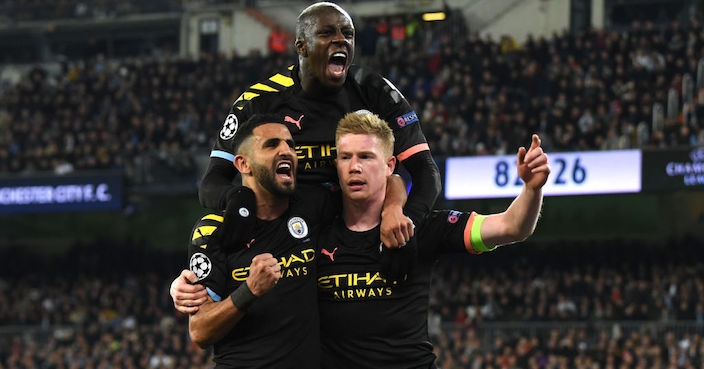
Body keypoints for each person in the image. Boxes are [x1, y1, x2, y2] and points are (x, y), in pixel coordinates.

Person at [172, 1, 441, 310]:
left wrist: (404, 223)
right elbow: (211, 183)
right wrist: (239, 202)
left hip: (351, 231)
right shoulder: (260, 101)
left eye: (348, 33)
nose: (341, 40)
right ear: (301, 45)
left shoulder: (375, 91)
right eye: (327, 33)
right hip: (284, 236)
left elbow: (425, 173)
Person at [316, 112, 550, 368]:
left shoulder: (423, 226)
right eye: (345, 157)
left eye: (366, 156)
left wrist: (532, 189)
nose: (354, 166)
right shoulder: (315, 232)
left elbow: (512, 226)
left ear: (389, 165)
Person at [186, 113, 334, 368]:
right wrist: (249, 290)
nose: (286, 150)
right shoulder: (213, 231)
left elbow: (380, 183)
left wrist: (395, 204)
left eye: (290, 144)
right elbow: (200, 331)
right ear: (244, 164)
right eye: (272, 144)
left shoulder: (312, 207)